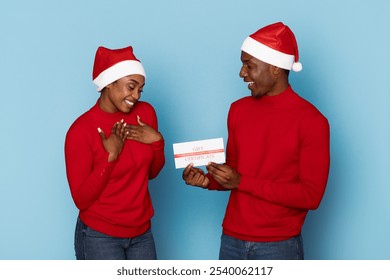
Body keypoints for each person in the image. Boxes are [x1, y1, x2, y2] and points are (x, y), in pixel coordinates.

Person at [182, 22, 330, 260]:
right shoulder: (238, 110)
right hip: (231, 239)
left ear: (274, 67)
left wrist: (241, 181)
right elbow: (234, 173)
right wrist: (208, 181)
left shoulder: (312, 121)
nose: (242, 73)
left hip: (279, 245)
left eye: (249, 65)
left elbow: (311, 196)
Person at [65, 46, 165, 260]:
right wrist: (110, 159)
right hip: (99, 235)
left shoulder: (146, 113)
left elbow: (151, 173)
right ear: (109, 83)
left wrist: (157, 142)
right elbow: (81, 200)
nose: (136, 95)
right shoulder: (81, 131)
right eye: (131, 87)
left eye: (140, 89)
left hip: (141, 233)